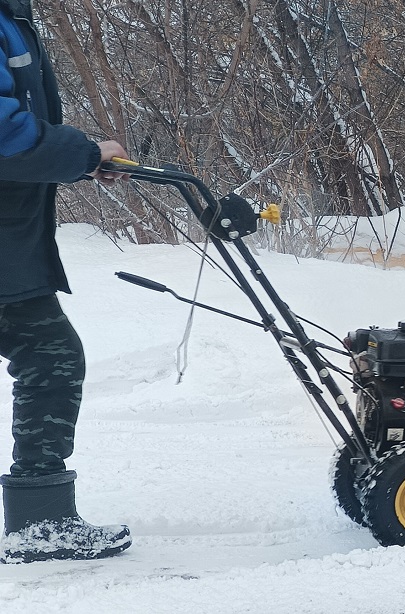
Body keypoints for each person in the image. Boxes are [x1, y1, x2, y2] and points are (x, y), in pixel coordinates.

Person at [0, 0, 131, 563]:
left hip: (11, 248)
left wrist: (81, 158)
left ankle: (40, 520)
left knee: (52, 357)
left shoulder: (13, 18)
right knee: (52, 357)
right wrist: (81, 152)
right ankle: (39, 522)